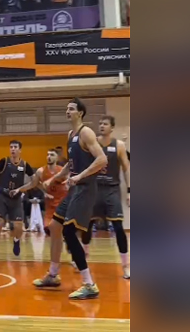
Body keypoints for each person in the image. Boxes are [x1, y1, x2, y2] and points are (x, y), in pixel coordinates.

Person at [33, 98, 108, 300]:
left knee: (68, 231)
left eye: (72, 108)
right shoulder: (70, 135)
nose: (68, 111)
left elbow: (102, 159)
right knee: (55, 227)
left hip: (86, 188)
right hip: (74, 189)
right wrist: (55, 179)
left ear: (80, 113)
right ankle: (53, 274)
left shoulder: (86, 132)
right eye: (66, 108)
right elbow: (70, 165)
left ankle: (89, 284)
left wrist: (80, 176)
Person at [81, 115, 131, 279]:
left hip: (111, 190)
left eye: (105, 124)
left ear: (112, 128)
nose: (102, 126)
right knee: (87, 225)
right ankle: (84, 256)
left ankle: (126, 266)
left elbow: (126, 169)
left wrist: (129, 191)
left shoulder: (119, 145)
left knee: (118, 227)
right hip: (94, 189)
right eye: (100, 123)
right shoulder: (92, 143)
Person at [0, 140, 44, 261]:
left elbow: (34, 181)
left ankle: (16, 240)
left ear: (20, 150)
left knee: (18, 226)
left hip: (16, 198)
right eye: (11, 147)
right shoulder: (4, 161)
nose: (13, 149)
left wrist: (21, 189)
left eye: (15, 147)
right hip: (2, 196)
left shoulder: (25, 165)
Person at [38, 149, 67, 237]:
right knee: (49, 230)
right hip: (50, 207)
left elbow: (69, 181)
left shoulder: (62, 171)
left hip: (61, 205)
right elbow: (35, 183)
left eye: (52, 155)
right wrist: (44, 192)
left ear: (57, 158)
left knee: (61, 230)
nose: (49, 157)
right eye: (48, 155)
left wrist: (67, 186)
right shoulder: (41, 171)